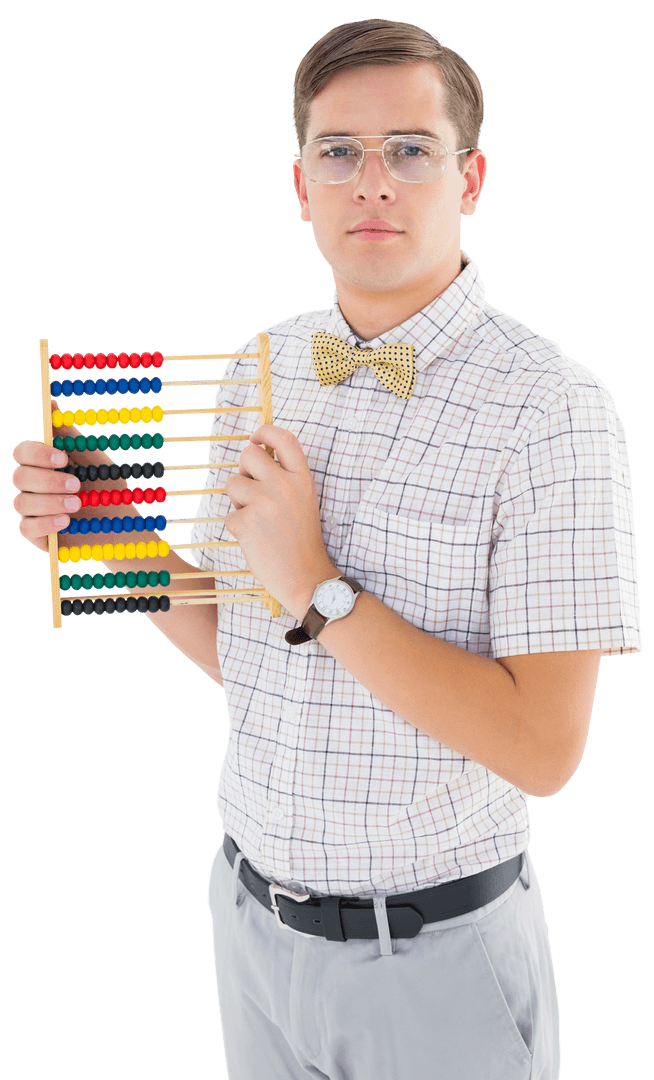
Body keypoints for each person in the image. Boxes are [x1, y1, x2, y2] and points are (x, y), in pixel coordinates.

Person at [12, 19, 641, 1080]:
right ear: (302, 186)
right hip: (247, 924)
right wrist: (100, 527)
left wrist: (316, 583)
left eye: (411, 149)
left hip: (436, 960)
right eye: (339, 151)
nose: (372, 182)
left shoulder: (555, 408)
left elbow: (545, 751)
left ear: (471, 178)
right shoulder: (260, 363)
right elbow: (252, 657)